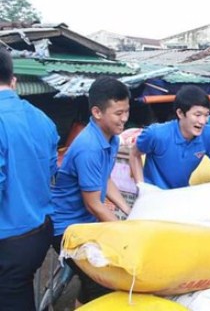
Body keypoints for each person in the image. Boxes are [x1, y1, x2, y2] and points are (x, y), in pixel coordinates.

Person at [51, 76, 131, 306]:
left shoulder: (112, 139)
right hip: (65, 228)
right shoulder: (89, 147)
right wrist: (125, 234)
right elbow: (93, 204)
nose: (124, 119)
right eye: (118, 113)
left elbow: (104, 177)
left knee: (96, 277)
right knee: (103, 280)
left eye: (126, 111)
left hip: (86, 223)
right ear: (97, 112)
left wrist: (128, 210)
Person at [0, 48, 59, 311]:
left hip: (8, 238)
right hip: (37, 231)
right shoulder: (43, 119)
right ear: (13, 81)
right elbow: (48, 173)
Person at [130, 85, 210, 189]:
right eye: (198, 115)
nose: (203, 121)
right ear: (180, 113)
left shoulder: (209, 135)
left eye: (206, 115)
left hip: (180, 194)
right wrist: (142, 188)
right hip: (154, 194)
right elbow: (134, 154)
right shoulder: (156, 134)